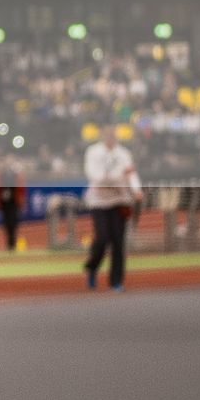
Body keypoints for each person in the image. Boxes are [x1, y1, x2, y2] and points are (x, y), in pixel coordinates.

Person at [83, 124, 142, 291]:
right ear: (102, 135)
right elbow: (95, 176)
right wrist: (116, 177)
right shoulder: (93, 152)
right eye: (107, 134)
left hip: (119, 200)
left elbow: (131, 174)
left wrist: (137, 190)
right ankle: (92, 267)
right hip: (99, 201)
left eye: (112, 134)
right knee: (102, 238)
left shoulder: (123, 154)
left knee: (118, 241)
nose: (110, 137)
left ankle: (116, 281)